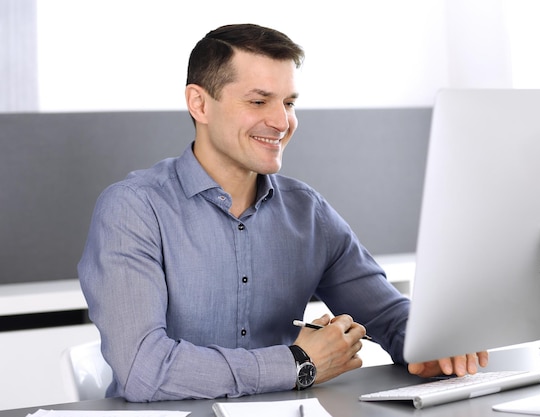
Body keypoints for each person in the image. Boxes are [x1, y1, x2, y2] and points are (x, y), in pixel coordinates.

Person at [78, 23, 488, 402]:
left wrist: (432, 345)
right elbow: (143, 371)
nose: (281, 121)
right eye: (259, 101)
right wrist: (298, 363)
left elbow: (388, 314)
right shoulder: (133, 209)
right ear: (199, 104)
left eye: (289, 102)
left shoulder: (307, 212)